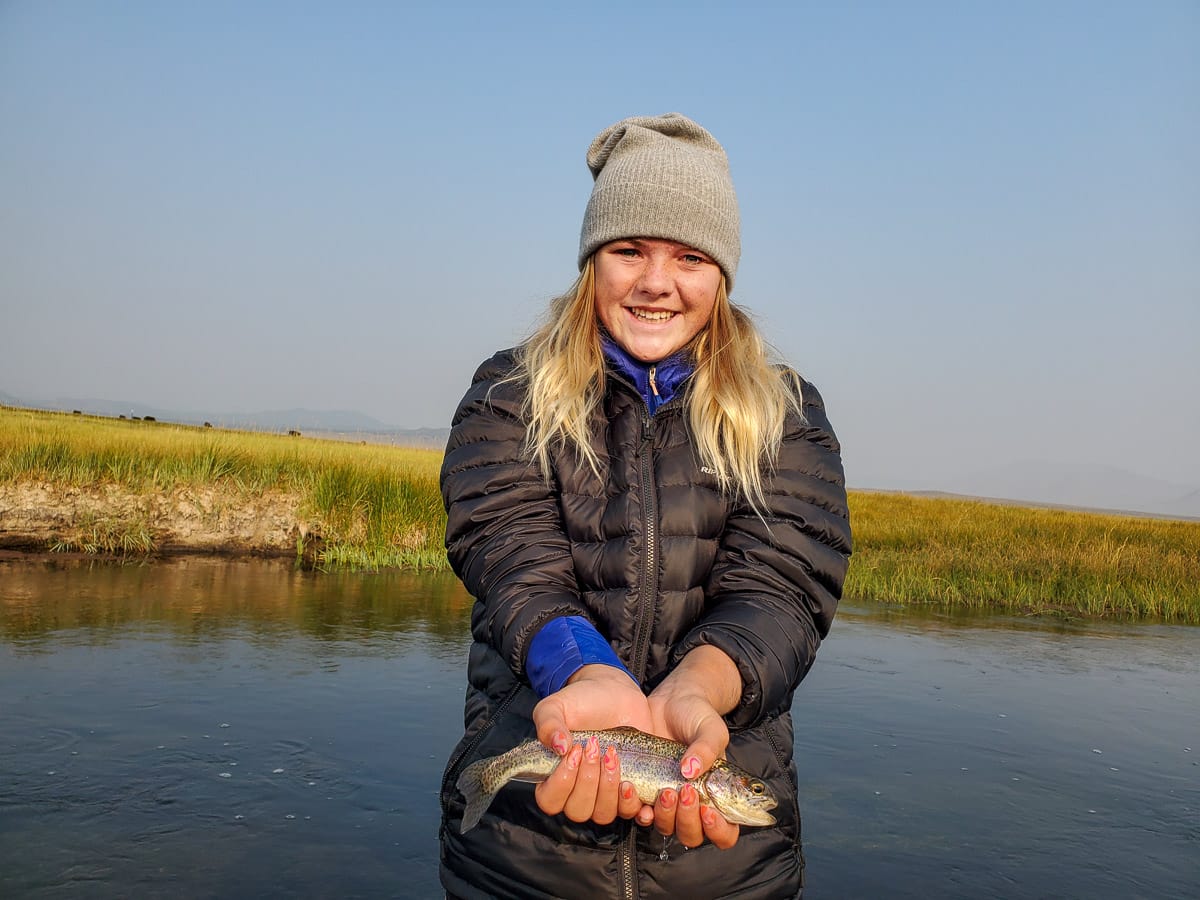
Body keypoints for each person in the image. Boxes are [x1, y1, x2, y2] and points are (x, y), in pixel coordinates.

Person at [438, 112, 852, 899]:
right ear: (592, 260)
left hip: (725, 874)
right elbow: (508, 549)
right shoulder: (508, 395)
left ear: (722, 275)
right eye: (629, 249)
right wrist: (580, 668)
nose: (657, 281)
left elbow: (784, 586)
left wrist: (703, 686)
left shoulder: (787, 413)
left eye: (690, 257)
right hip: (524, 855)